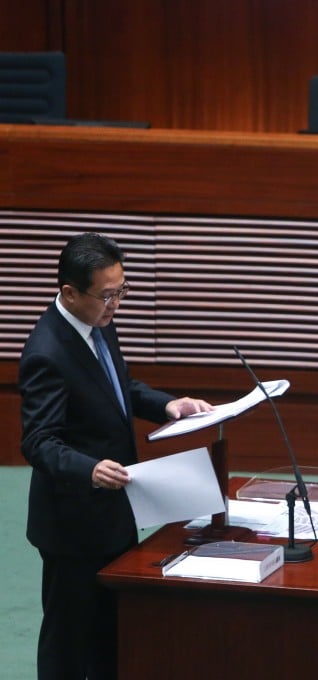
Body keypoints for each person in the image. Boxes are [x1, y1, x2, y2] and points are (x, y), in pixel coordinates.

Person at [19, 233, 213, 680]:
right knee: (68, 640)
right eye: (107, 295)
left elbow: (115, 386)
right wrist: (88, 468)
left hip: (115, 512)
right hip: (73, 524)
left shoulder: (98, 323)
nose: (116, 305)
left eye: (122, 291)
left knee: (112, 632)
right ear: (70, 292)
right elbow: (39, 442)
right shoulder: (46, 352)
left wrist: (166, 405)